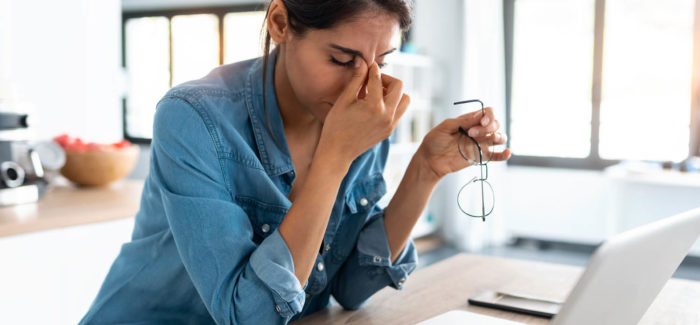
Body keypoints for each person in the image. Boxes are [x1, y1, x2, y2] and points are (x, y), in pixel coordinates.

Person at [79, 0, 510, 324]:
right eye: (342, 60)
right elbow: (248, 315)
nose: (364, 86)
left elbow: (351, 287)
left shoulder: (360, 115)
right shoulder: (193, 117)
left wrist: (425, 171)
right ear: (281, 22)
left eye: (381, 62)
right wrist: (334, 157)